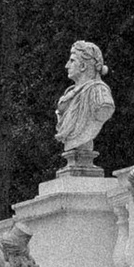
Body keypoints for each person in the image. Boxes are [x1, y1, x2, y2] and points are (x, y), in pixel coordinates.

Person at [54, 39, 114, 175]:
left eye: (72, 61)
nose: (66, 66)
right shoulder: (69, 96)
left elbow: (104, 108)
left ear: (82, 66)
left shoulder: (98, 92)